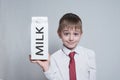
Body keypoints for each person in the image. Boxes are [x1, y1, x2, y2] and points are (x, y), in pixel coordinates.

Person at [30, 13, 96, 80]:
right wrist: (46, 67)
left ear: (81, 34)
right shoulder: (54, 58)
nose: (71, 38)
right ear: (59, 34)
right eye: (66, 34)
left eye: (75, 34)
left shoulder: (89, 54)